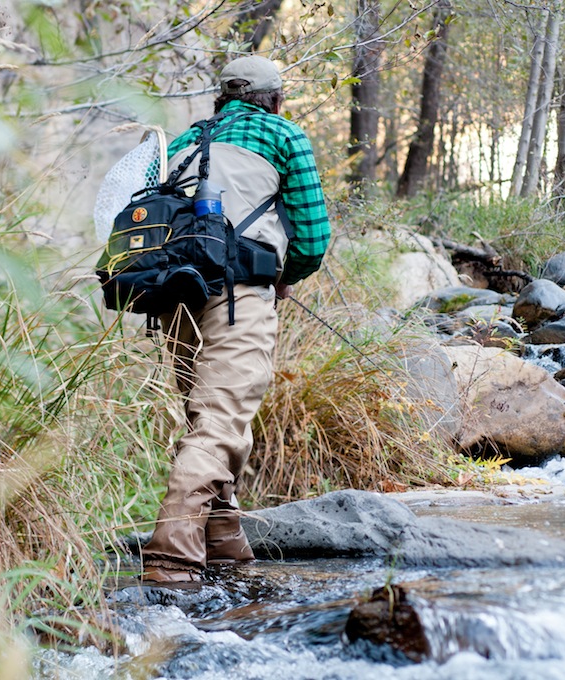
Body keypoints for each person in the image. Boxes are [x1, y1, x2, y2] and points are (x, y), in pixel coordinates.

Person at [140, 55, 331, 584]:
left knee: (211, 418)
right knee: (221, 421)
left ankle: (222, 543)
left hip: (173, 296)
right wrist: (285, 276)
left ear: (222, 98)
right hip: (237, 293)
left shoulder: (181, 143)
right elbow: (313, 238)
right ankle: (172, 560)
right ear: (275, 99)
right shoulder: (284, 135)